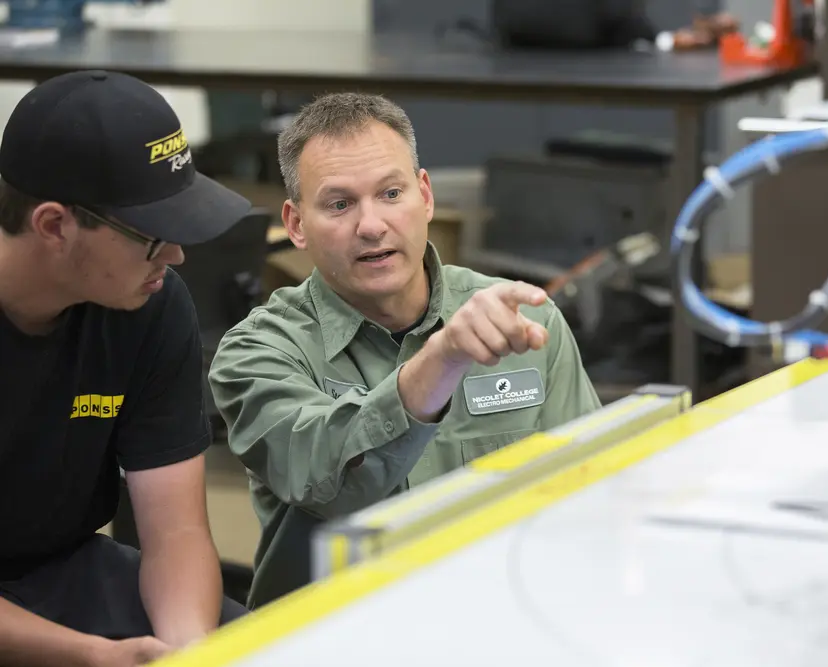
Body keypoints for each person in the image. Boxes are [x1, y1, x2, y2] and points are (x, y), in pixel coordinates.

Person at [208, 92, 603, 609]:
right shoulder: (256, 353)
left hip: (502, 617)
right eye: (339, 204)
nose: (371, 225)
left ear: (426, 196)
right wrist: (444, 358)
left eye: (391, 193)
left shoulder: (523, 323)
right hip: (336, 636)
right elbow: (327, 485)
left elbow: (592, 492)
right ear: (297, 224)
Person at [0, 70, 254, 667]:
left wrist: (185, 651)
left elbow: (175, 533)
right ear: (55, 226)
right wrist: (87, 655)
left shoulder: (150, 304)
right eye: (152, 237)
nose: (176, 255)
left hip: (65, 569)